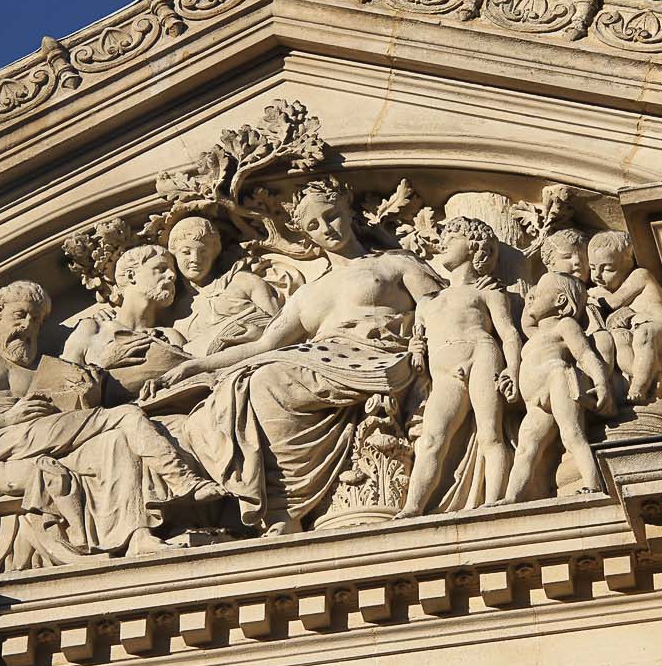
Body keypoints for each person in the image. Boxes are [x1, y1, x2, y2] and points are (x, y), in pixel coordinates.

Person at [148, 179, 444, 535]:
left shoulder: (394, 263)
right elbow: (263, 345)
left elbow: (438, 304)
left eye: (332, 215)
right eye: (314, 226)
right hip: (325, 358)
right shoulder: (308, 294)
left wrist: (422, 338)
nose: (327, 229)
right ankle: (283, 504)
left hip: (380, 353)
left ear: (347, 210)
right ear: (307, 235)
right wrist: (193, 366)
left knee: (267, 379)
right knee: (243, 385)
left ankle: (283, 508)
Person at [0, 279, 224, 564]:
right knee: (125, 415)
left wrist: (91, 383)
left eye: (36, 321)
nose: (27, 326)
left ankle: (137, 536)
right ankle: (181, 479)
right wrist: (4, 420)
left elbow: (72, 416)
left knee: (115, 441)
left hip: (41, 439)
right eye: (20, 315)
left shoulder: (41, 370)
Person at [397, 217, 523, 517]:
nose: (443, 243)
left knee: (490, 433)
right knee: (431, 440)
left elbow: (508, 333)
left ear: (475, 246)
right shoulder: (426, 303)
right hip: (443, 371)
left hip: (481, 354)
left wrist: (513, 369)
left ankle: (493, 501)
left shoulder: (487, 291)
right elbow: (419, 341)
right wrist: (415, 349)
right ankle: (413, 508)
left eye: (452, 238)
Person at [503, 272, 614, 501]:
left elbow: (585, 354)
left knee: (572, 434)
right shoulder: (534, 335)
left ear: (560, 300)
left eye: (539, 293)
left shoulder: (565, 325)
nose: (531, 298)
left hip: (557, 379)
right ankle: (511, 498)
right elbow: (526, 322)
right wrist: (530, 299)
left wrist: (601, 381)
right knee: (526, 449)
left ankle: (592, 484)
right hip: (535, 401)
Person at [63, 245, 190, 403]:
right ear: (131, 276)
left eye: (174, 275)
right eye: (161, 269)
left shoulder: (170, 336)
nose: (171, 276)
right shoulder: (93, 329)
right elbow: (62, 393)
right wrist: (102, 365)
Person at [165, 216, 281, 356]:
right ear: (174, 254)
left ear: (214, 253)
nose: (195, 259)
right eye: (186, 252)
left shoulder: (244, 282)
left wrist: (261, 335)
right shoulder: (170, 309)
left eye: (203, 251)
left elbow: (282, 328)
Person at [586, 231, 662, 403]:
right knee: (619, 337)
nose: (597, 276)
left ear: (628, 262)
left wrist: (594, 293)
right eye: (592, 268)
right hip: (638, 333)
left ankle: (638, 386)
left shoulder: (640, 275)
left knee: (645, 333)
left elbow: (614, 302)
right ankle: (648, 373)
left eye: (607, 269)